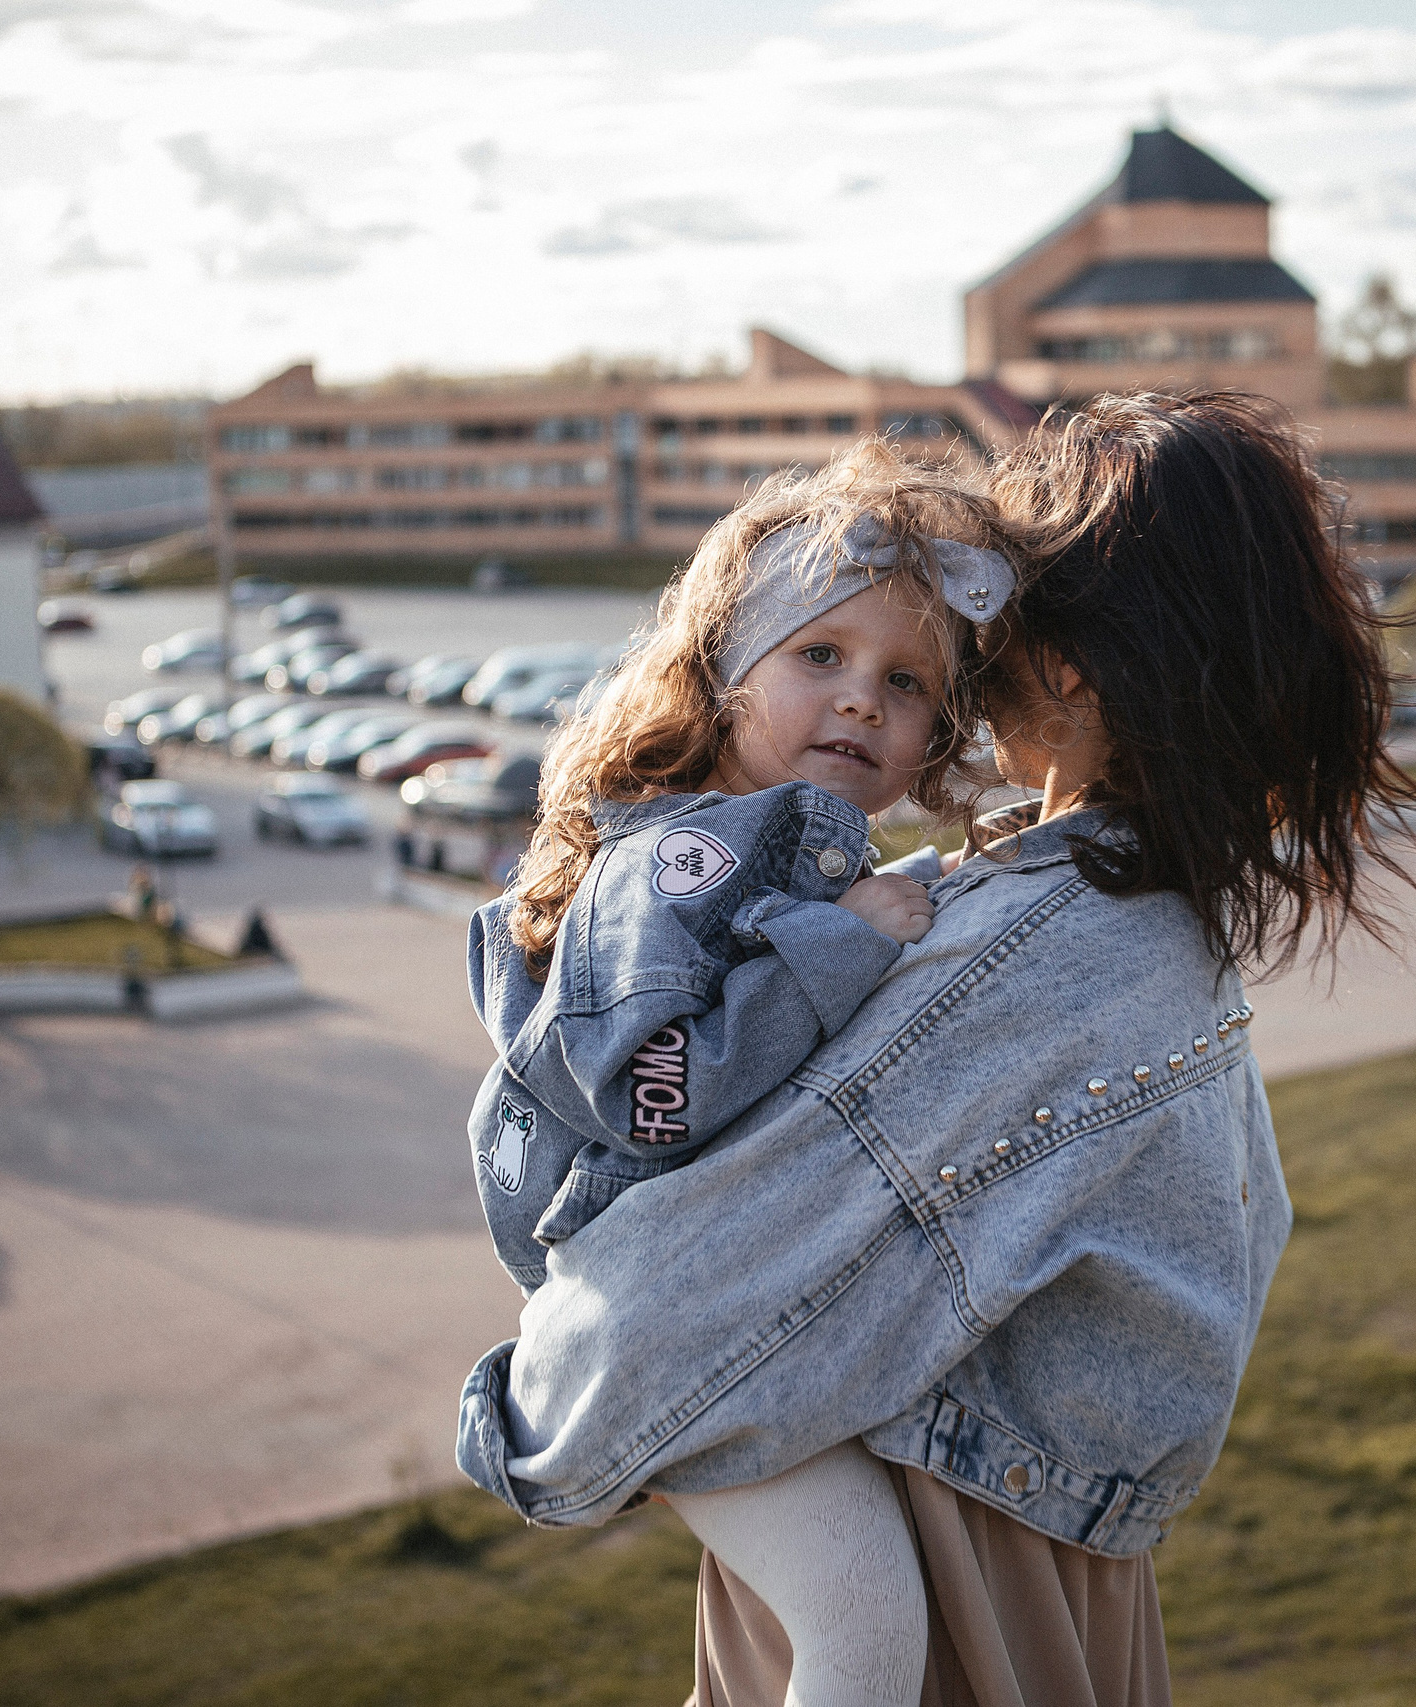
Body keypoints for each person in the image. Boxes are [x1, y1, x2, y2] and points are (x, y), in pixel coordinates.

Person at [455, 390, 1416, 1704]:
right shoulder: (1154, 924)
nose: (972, 662)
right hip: (1049, 1595)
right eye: (821, 656)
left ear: (1076, 661)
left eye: (992, 623)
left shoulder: (1024, 944)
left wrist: (529, 1402)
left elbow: (650, 1317)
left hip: (958, 1607)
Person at [461, 441, 1018, 1707]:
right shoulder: (674, 867)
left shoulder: (786, 850)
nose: (864, 700)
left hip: (723, 1291)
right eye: (819, 656)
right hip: (667, 1318)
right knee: (868, 1626)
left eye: (908, 682)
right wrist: (846, 942)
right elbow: (651, 1089)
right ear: (725, 667)